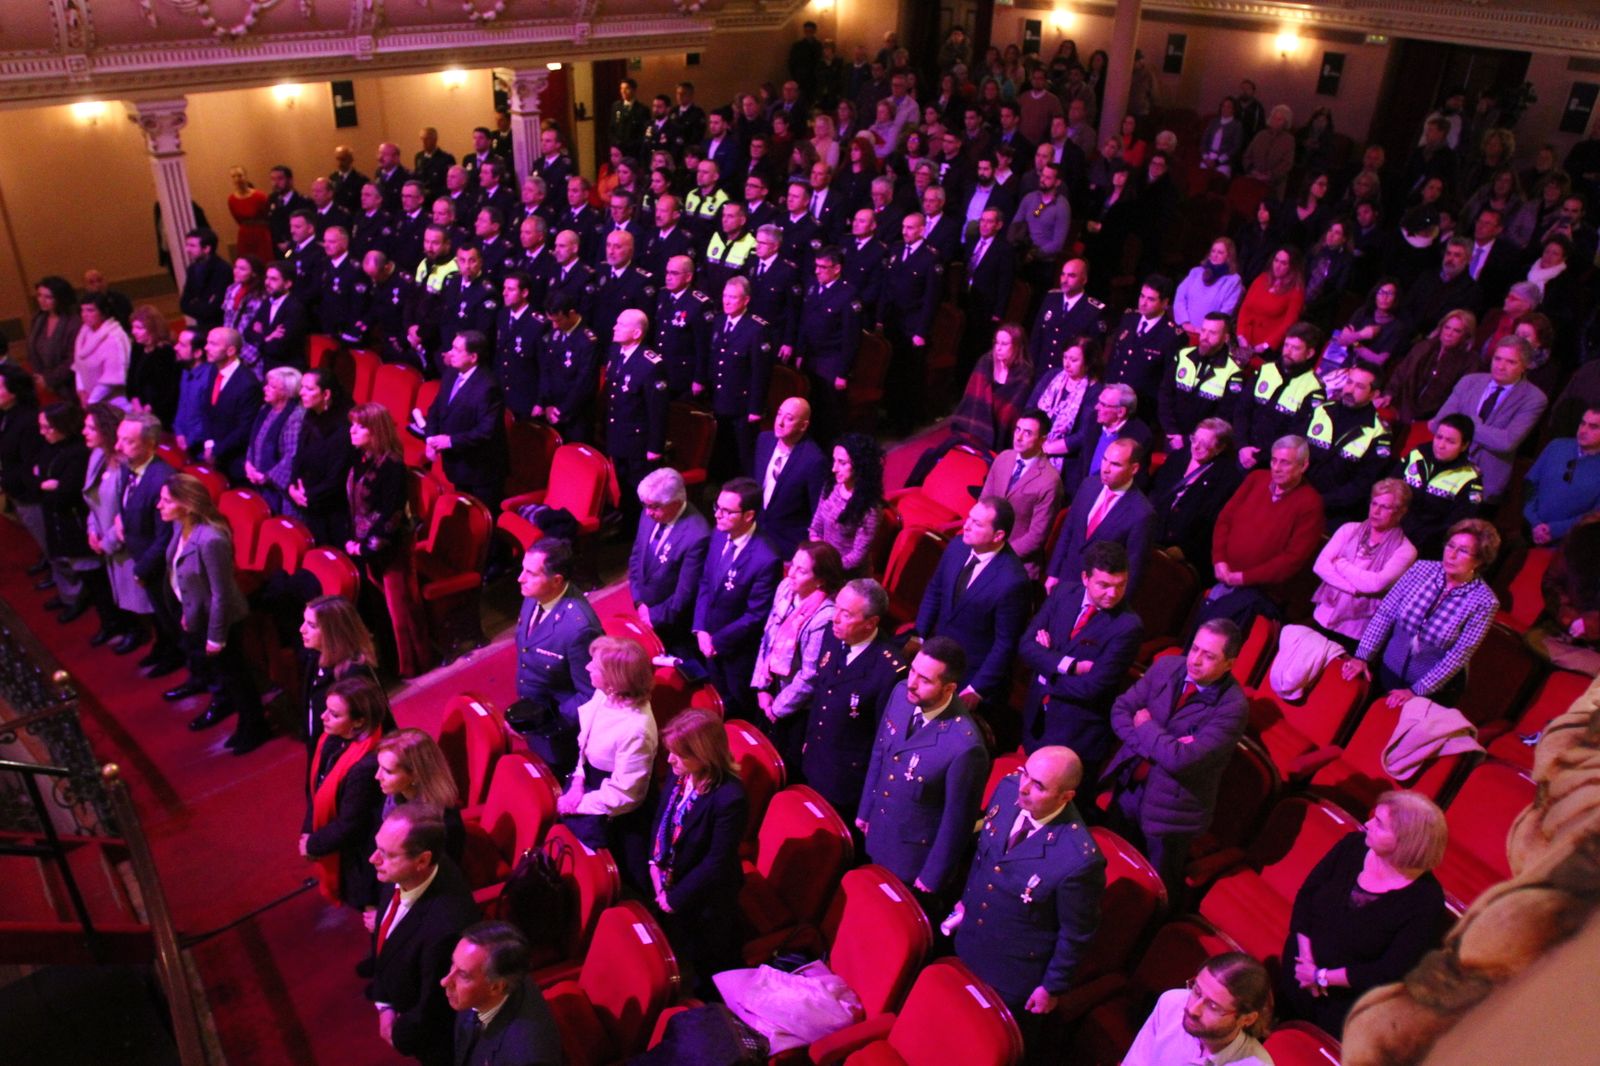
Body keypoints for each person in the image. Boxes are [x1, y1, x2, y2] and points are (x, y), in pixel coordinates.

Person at [946, 746, 1104, 1032]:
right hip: (970, 939)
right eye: (1025, 775)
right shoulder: (1008, 790)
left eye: (1039, 786)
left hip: (1010, 971)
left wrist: (1052, 986)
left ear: (1066, 797)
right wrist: (967, 900)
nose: (1025, 789)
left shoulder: (1078, 859)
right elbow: (985, 860)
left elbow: (1076, 933)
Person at [1280, 792, 1449, 1037]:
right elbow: (1307, 897)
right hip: (1298, 973)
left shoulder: (1425, 901)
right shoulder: (1352, 846)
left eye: (1379, 824)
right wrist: (1305, 962)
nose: (1368, 824)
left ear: (1406, 841)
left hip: (1346, 1007)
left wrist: (1322, 977)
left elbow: (1389, 971)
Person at [1103, 619, 1249, 899]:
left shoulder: (1233, 708)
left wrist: (1145, 726)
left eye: (1209, 656)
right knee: (1110, 863)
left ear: (1229, 664)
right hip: (1129, 786)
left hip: (1171, 813)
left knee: (1153, 892)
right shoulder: (1168, 667)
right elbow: (1121, 708)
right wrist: (1155, 746)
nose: (1195, 660)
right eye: (1195, 648)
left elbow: (1182, 760)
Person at [855, 637, 989, 918]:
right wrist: (865, 810)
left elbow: (957, 822)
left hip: (910, 859)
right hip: (877, 831)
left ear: (950, 688)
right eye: (913, 670)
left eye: (925, 679)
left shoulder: (964, 746)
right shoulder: (901, 694)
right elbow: (880, 754)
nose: (913, 682)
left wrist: (932, 875)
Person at [158, 474, 267, 752]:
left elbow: (222, 593)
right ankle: (246, 723)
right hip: (200, 617)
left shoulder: (210, 539)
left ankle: (255, 725)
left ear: (187, 504)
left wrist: (216, 637)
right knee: (226, 675)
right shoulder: (179, 528)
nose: (160, 505)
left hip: (222, 621)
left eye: (167, 500)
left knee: (236, 674)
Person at [368, 804, 480, 1066]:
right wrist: (384, 1003)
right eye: (377, 847)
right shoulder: (400, 872)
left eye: (387, 854)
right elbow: (387, 941)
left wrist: (398, 1035)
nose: (373, 858)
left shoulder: (448, 927)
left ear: (422, 861)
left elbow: (433, 1008)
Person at [1345, 519, 1501, 706]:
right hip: (1385, 670)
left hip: (1429, 691)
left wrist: (1416, 691)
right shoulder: (1421, 569)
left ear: (1480, 560)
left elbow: (1459, 654)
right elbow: (1385, 613)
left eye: (1463, 551)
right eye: (1450, 546)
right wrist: (1362, 656)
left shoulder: (1484, 601)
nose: (1451, 555)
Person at [1019, 541, 1143, 772]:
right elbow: (1026, 646)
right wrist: (1069, 665)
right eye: (1104, 585)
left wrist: (1044, 668)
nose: (1113, 593)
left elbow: (1093, 687)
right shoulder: (1064, 593)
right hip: (1036, 718)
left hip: (1075, 733)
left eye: (1121, 585)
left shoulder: (1128, 626)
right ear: (1086, 578)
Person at [650, 709, 748, 1000]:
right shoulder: (681, 774)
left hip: (707, 897)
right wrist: (653, 860)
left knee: (708, 962)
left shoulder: (730, 797)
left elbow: (716, 861)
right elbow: (663, 816)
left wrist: (674, 898)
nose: (669, 760)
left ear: (704, 755)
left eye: (679, 755)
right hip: (672, 877)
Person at [914, 497, 1030, 718]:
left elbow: (1005, 645)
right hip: (937, 661)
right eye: (969, 518)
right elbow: (935, 591)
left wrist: (977, 689)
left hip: (969, 677)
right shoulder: (957, 546)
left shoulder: (1013, 581)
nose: (966, 525)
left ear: (998, 536)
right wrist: (919, 635)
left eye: (977, 524)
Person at [559, 636, 659, 886]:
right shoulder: (604, 695)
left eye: (595, 666)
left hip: (621, 815)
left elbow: (626, 794)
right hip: (590, 787)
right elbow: (586, 740)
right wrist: (578, 782)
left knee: (627, 879)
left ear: (615, 682)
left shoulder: (636, 728)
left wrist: (578, 804)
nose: (587, 667)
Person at [1199, 435, 1324, 633]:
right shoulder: (1256, 478)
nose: (1276, 467)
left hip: (1261, 593)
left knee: (1219, 635)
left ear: (1303, 466)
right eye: (1274, 460)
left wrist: (1243, 578)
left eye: (1285, 463)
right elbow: (1225, 520)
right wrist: (1219, 560)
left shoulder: (1311, 503)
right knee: (1202, 626)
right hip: (1225, 577)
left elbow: (1292, 560)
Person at [345, 403, 433, 679]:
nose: (352, 431)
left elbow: (391, 512)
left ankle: (414, 664)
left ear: (376, 431)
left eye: (360, 427)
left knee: (401, 608)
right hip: (369, 544)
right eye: (353, 425)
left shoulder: (391, 465)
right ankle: (394, 662)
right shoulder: (362, 458)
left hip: (391, 545)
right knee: (386, 608)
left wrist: (365, 545)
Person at [693, 478, 783, 723]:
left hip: (738, 651)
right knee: (715, 700)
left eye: (727, 511)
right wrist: (700, 628)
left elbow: (755, 615)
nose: (718, 515)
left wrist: (716, 641)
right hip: (709, 641)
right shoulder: (720, 535)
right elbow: (705, 583)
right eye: (717, 507)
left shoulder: (766, 558)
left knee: (739, 708)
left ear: (749, 515)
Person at [511, 539, 602, 775]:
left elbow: (591, 693)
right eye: (523, 569)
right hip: (534, 719)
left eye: (530, 573)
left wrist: (548, 721)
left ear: (556, 580)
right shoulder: (533, 596)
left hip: (562, 735)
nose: (520, 578)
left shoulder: (578, 628)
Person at [753, 541, 844, 768]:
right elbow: (768, 637)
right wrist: (762, 687)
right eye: (792, 566)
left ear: (820, 580)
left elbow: (809, 675)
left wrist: (776, 709)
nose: (791, 574)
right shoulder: (785, 588)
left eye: (801, 571)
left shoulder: (825, 617)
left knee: (779, 762)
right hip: (770, 686)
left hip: (793, 705)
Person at [301, 676, 387, 916]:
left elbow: (352, 824)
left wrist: (313, 844)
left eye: (334, 714)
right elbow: (316, 791)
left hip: (359, 858)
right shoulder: (332, 740)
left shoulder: (366, 766)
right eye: (326, 710)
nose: (323, 717)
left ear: (358, 723)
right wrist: (308, 830)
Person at [1428, 335, 1548, 502]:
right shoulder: (1469, 382)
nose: (1501, 366)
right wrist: (1481, 430)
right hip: (1443, 471)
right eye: (1497, 359)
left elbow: (1507, 442)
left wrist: (1466, 424)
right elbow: (1438, 424)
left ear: (1525, 366)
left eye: (1510, 362)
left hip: (1484, 482)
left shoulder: (1534, 398)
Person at [109, 412, 181, 668]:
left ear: (150, 444)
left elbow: (166, 537)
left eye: (127, 441)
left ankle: (185, 666)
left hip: (159, 568)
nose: (118, 447)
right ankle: (166, 650)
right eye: (119, 439)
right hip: (144, 560)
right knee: (161, 617)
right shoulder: (131, 467)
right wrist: (121, 518)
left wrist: (141, 570)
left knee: (172, 620)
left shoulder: (162, 479)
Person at [442, 922, 563, 1066]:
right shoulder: (500, 973)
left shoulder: (526, 1058)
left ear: (496, 987)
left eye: (463, 975)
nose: (444, 981)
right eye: (453, 963)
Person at [1123, 953, 1274, 1066]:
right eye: (1196, 991)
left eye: (1213, 1006)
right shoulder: (1172, 1003)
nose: (1193, 1010)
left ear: (1247, 1019)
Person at [628, 467, 711, 657]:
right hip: (645, 611)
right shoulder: (649, 511)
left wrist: (653, 616)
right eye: (645, 505)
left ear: (677, 501)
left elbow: (685, 593)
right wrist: (639, 601)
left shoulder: (697, 535)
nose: (648, 512)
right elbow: (636, 558)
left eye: (655, 506)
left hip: (674, 625)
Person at [421, 331, 507, 511]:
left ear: (473, 357)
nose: (450, 352)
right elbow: (436, 409)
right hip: (458, 465)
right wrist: (431, 439)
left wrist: (450, 441)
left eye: (456, 349)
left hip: (480, 471)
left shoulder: (488, 387)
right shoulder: (451, 374)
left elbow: (485, 431)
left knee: (479, 522)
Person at [1300, 363, 1394, 524]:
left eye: (1359, 386)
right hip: (1296, 491)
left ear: (1374, 394)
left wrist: (1319, 502)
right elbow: (1294, 447)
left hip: (1331, 510)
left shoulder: (1379, 434)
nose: (1349, 390)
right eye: (1349, 382)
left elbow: (1361, 486)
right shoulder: (1321, 410)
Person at [979, 410, 1064, 579]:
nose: (1018, 437)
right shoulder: (1003, 458)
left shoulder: (1050, 481)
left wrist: (998, 553)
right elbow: (984, 501)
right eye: (1018, 429)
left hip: (1017, 562)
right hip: (986, 547)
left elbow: (1036, 536)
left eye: (1027, 433)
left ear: (1042, 440)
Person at [1150, 417, 1243, 566]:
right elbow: (1156, 492)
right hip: (1154, 537)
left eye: (1204, 444)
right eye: (1194, 439)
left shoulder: (1228, 479)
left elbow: (1214, 524)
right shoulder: (1178, 458)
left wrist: (1186, 550)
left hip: (1186, 552)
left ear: (1220, 448)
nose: (1196, 446)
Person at [35, 404, 93, 623]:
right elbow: (37, 477)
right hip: (55, 516)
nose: (43, 432)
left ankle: (78, 598)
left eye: (47, 427)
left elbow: (67, 492)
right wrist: (45, 485)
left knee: (82, 567)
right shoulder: (49, 447)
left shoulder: (77, 453)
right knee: (59, 558)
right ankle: (68, 594)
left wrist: (50, 486)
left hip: (72, 519)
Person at [1396, 416, 1484, 557]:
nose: (1441, 445)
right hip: (1392, 529)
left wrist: (1418, 536)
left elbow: (1456, 524)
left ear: (1464, 446)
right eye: (1439, 437)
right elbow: (1390, 489)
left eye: (1450, 441)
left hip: (1426, 547)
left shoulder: (1470, 478)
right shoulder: (1417, 455)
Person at [81, 404, 132, 645]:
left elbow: (126, 511)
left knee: (141, 599)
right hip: (104, 539)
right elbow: (92, 498)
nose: (84, 432)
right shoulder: (97, 455)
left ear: (108, 430)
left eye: (91, 428)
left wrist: (108, 541)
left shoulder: (125, 465)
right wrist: (92, 530)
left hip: (124, 545)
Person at [754, 397, 828, 559]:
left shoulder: (813, 460)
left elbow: (817, 512)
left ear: (803, 426)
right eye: (779, 415)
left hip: (787, 542)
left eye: (789, 418)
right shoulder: (764, 440)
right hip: (756, 531)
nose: (780, 422)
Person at [1159, 313, 1247, 449]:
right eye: (1203, 330)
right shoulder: (1183, 355)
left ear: (1226, 338)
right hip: (1172, 436)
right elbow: (1165, 394)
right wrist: (1172, 431)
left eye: (1212, 333)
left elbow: (1224, 415)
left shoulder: (1233, 370)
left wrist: (1189, 440)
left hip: (1205, 443)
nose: (1205, 337)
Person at [375, 729, 464, 864]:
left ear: (416, 775)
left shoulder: (440, 825)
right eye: (379, 767)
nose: (377, 776)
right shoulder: (395, 795)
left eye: (388, 771)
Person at [1383, 308, 1479, 426]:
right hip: (1401, 405)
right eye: (1447, 327)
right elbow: (1401, 373)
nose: (1449, 334)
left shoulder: (1470, 362)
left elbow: (1459, 398)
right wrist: (1389, 394)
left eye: (1456, 331)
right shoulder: (1424, 347)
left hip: (1433, 418)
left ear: (1466, 336)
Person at [807, 432, 884, 577]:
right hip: (824, 566)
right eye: (834, 461)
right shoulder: (831, 486)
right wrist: (818, 552)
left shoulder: (870, 508)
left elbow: (856, 557)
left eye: (842, 463)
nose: (834, 469)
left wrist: (827, 569)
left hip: (847, 576)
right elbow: (815, 527)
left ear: (860, 465)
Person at [1522, 408, 1600, 546]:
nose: (1583, 430)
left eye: (1593, 427)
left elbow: (1595, 514)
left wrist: (1554, 530)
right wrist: (1535, 523)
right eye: (1582, 423)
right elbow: (1530, 484)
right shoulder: (1557, 446)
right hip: (1529, 529)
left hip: (1568, 543)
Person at [1028, 335, 1103, 473]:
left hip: (1064, 460)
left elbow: (1083, 435)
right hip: (1032, 444)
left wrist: (1046, 448)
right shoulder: (1052, 375)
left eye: (1074, 360)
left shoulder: (1095, 392)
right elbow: (1030, 409)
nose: (1067, 364)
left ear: (1088, 363)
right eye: (1065, 357)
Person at [243, 365, 305, 514]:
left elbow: (291, 456)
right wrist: (249, 464)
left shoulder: (295, 417)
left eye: (272, 387)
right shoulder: (266, 409)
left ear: (286, 392)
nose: (265, 388)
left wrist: (267, 477)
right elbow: (254, 440)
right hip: (257, 481)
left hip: (280, 493)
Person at [1236, 247, 1305, 357]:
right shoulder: (1261, 279)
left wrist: (1266, 345)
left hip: (1265, 349)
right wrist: (1240, 335)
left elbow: (1289, 323)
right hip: (1244, 342)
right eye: (1276, 260)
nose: (1277, 266)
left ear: (1291, 267)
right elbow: (1245, 308)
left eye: (1283, 263)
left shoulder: (1295, 291)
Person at [27, 277, 82, 400]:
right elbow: (32, 350)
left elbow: (74, 359)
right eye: (39, 295)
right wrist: (41, 377)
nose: (42, 301)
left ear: (60, 298)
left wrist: (49, 379)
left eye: (48, 297)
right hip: (48, 384)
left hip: (72, 384)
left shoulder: (73, 322)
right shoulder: (38, 319)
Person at [1172, 239, 1245, 334]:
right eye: (1213, 251)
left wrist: (1205, 330)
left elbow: (1226, 311)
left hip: (1209, 334)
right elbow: (1180, 297)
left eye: (1220, 252)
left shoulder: (1233, 280)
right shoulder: (1196, 272)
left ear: (1229, 256)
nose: (1215, 255)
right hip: (1184, 329)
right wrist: (1185, 322)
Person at [126, 306, 180, 429]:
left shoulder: (165, 351)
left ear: (153, 329)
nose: (134, 332)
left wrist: (149, 408)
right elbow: (131, 379)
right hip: (139, 408)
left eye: (139, 328)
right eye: (133, 327)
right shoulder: (137, 348)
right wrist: (136, 403)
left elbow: (168, 388)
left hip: (162, 412)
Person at [73, 294, 130, 405]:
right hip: (91, 399)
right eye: (82, 310)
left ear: (103, 312)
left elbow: (112, 378)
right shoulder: (83, 333)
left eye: (90, 310)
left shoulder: (114, 337)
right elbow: (78, 365)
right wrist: (81, 391)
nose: (84, 315)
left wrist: (92, 400)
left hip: (115, 401)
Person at [1242, 104, 1296, 195]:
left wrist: (1270, 175)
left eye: (1279, 119)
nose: (1275, 121)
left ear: (1286, 122)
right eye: (1274, 118)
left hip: (1274, 184)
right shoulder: (1261, 135)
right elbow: (1247, 156)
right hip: (1253, 177)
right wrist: (1252, 170)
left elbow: (1287, 163)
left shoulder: (1289, 140)